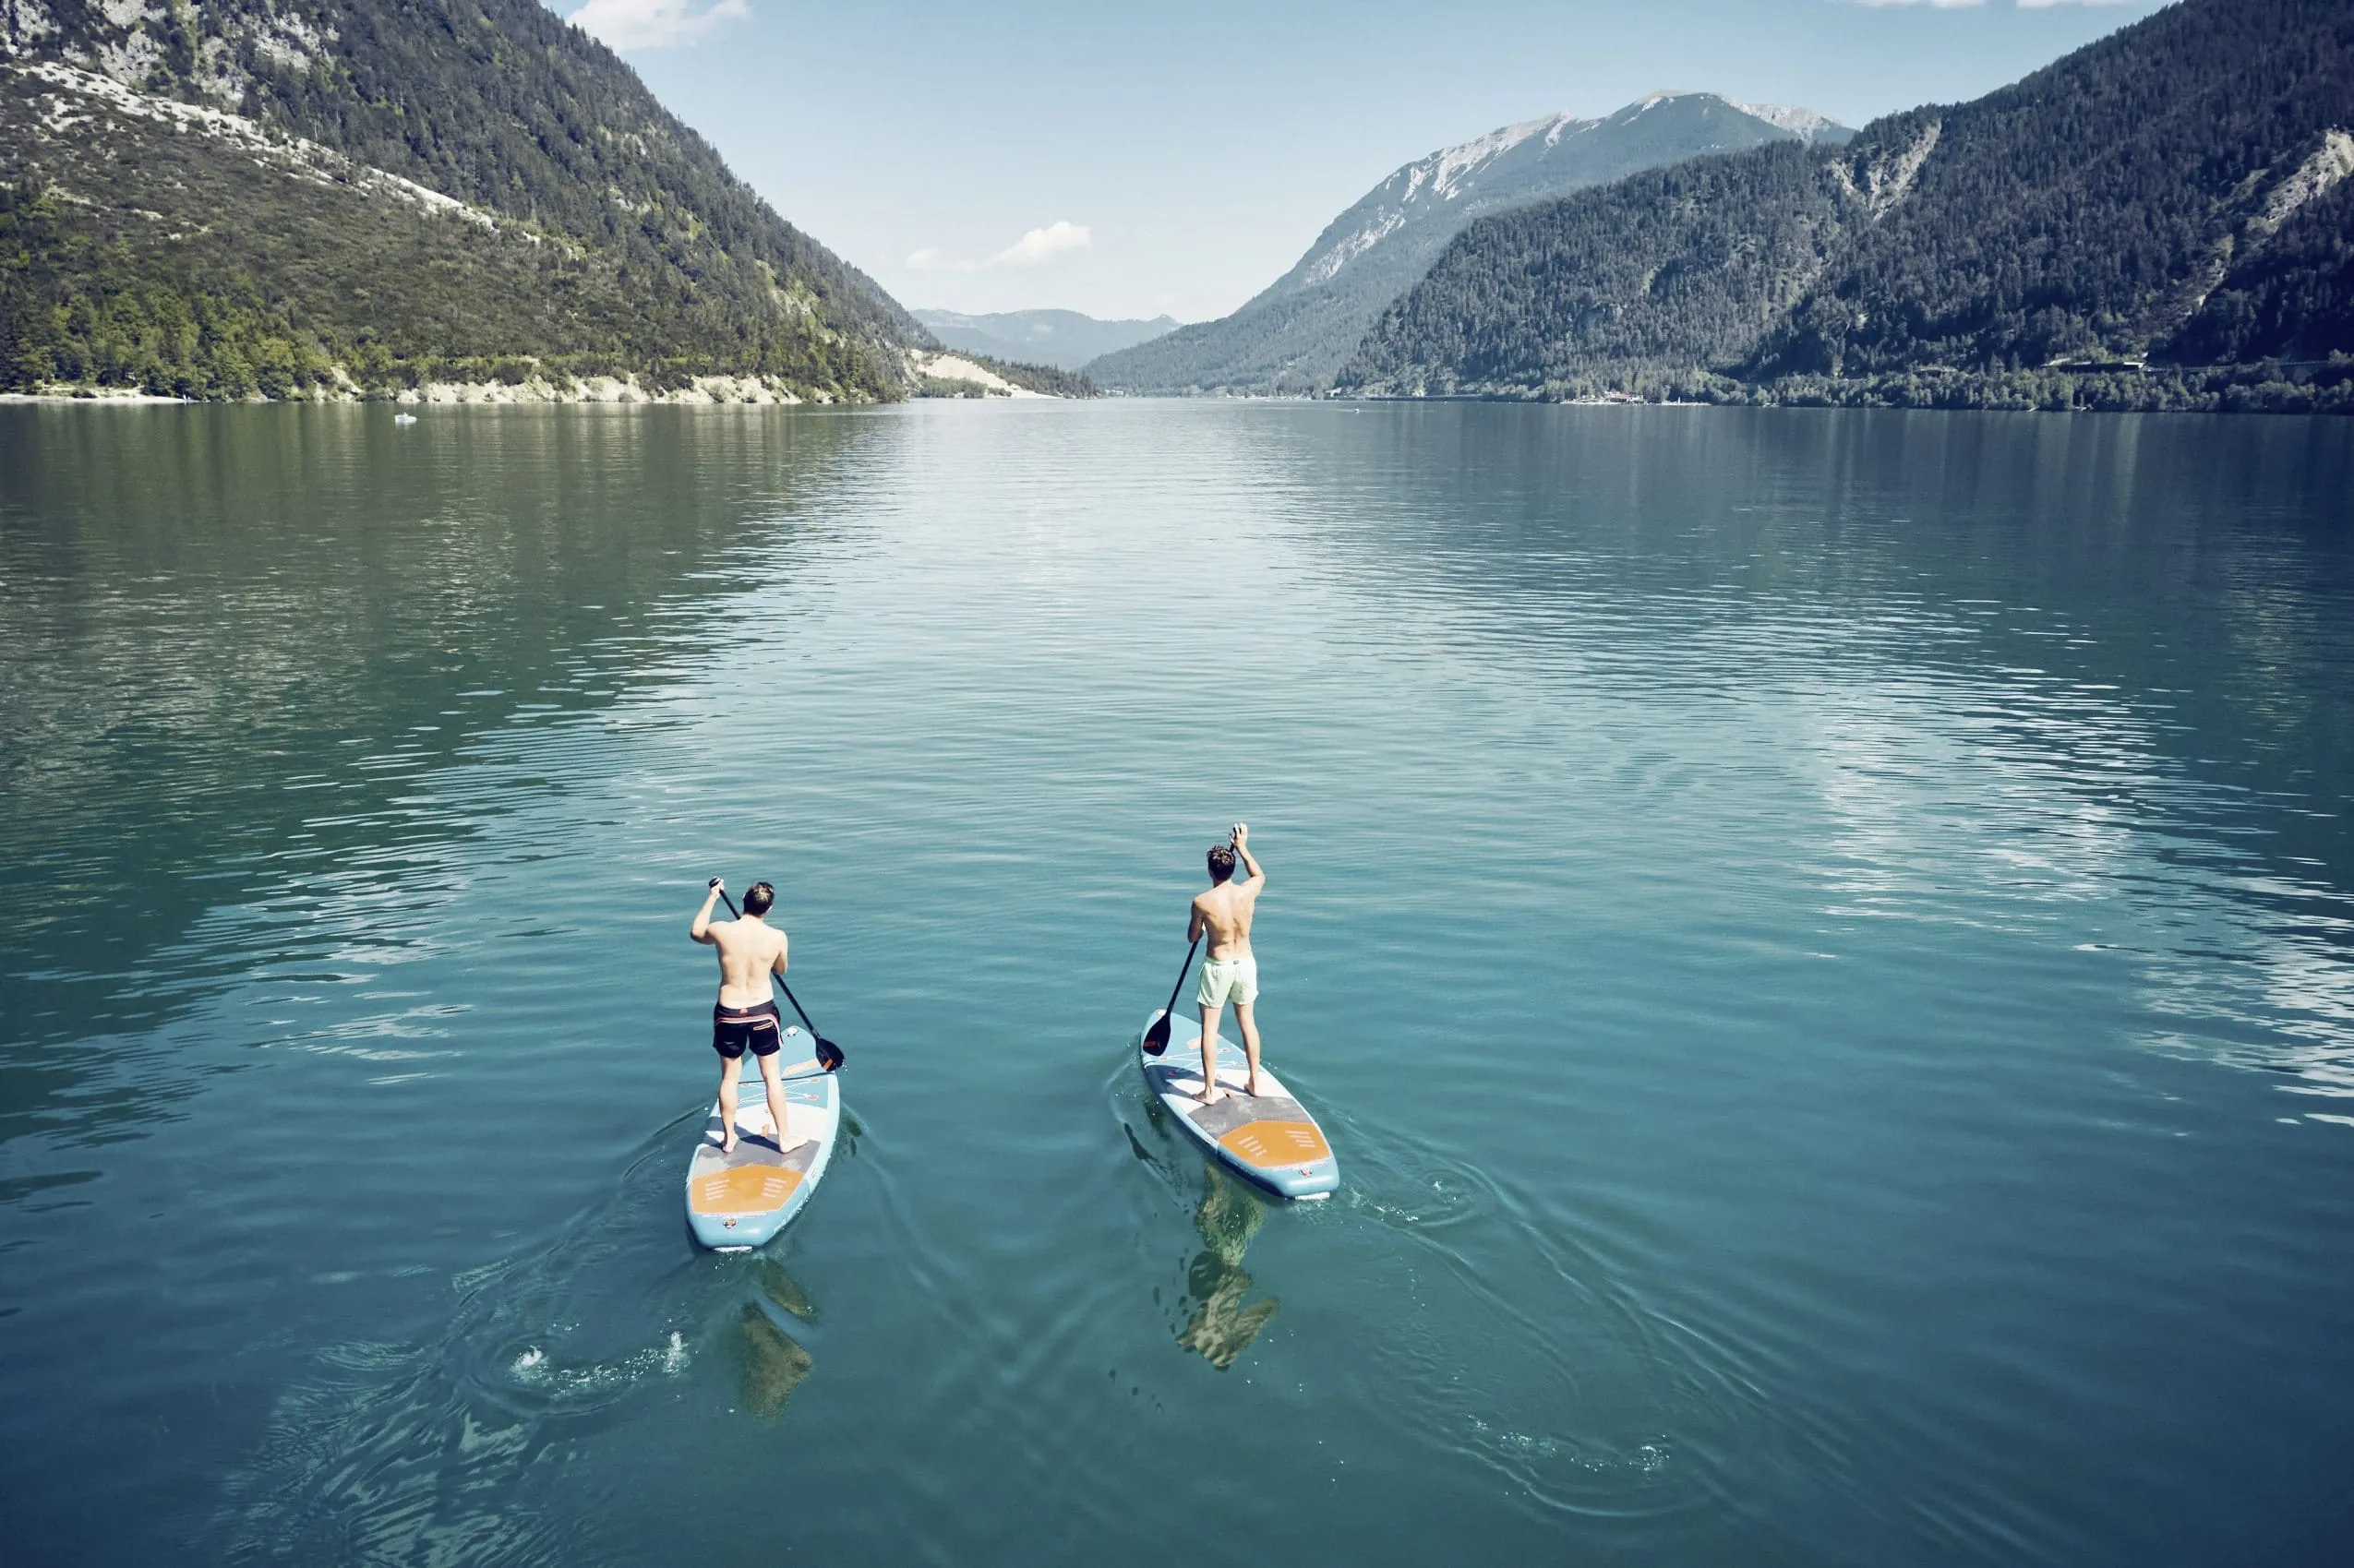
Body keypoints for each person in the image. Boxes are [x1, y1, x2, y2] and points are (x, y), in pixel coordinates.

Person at [691, 877, 794, 1155]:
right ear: (768, 909)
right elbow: (780, 970)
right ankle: (784, 1138)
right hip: (762, 1012)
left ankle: (729, 1139)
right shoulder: (777, 937)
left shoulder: (722, 930)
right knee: (772, 1076)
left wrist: (713, 896)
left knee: (729, 1078)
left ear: (743, 903)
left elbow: (696, 932)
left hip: (729, 1013)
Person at [1189, 823, 1267, 1106]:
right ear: (1232, 870)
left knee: (1210, 1029)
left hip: (1218, 966)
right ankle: (1255, 1082)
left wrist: (1207, 927)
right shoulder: (1248, 891)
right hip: (1245, 963)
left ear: (1210, 871)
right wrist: (1244, 847)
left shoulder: (1202, 902)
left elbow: (1193, 937)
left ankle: (1209, 1091)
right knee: (1248, 1023)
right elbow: (1258, 874)